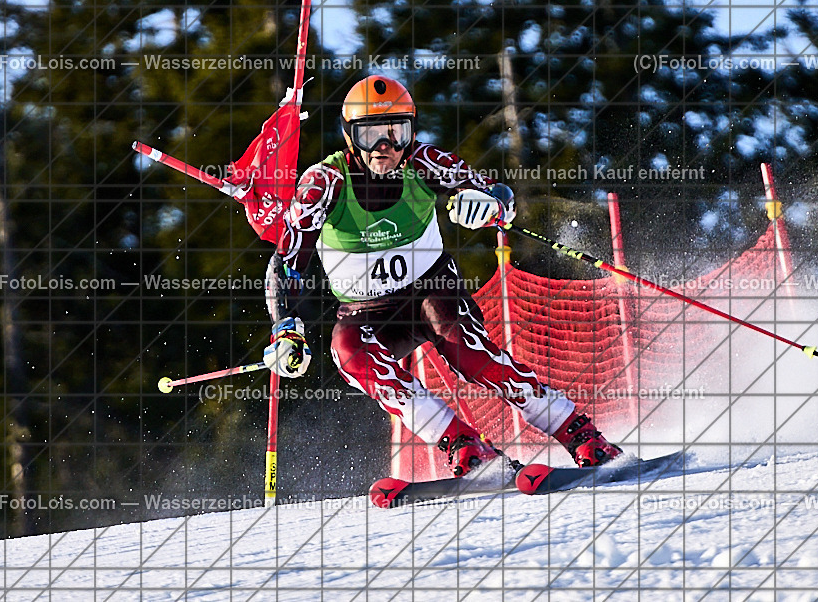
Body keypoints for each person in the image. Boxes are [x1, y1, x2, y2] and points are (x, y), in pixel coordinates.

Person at [261, 75, 621, 477]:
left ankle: (579, 431)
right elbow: (287, 260)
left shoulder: (422, 161)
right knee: (347, 353)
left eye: (397, 133)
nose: (386, 147)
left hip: (433, 291)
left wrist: (489, 205)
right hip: (368, 313)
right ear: (350, 137)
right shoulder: (324, 184)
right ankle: (464, 443)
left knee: (472, 356)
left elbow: (498, 195)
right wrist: (285, 327)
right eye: (372, 135)